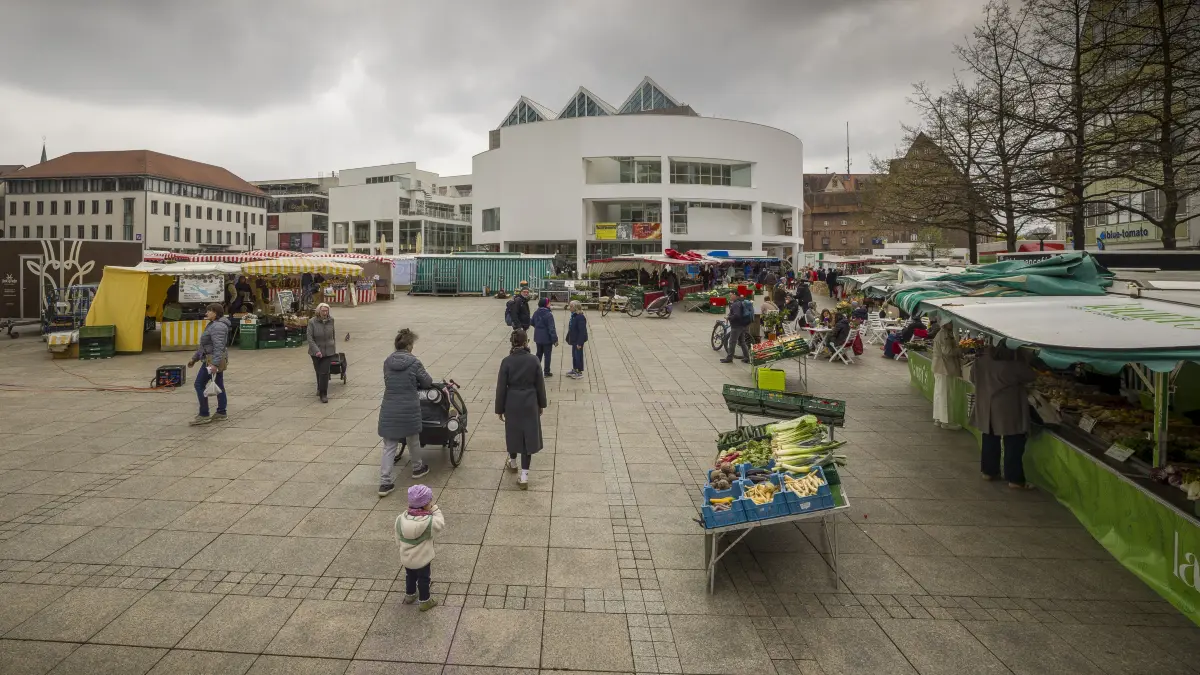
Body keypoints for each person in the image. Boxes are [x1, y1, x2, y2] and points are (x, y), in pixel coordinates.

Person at [378, 328, 435, 495]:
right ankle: (417, 468)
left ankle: (385, 482)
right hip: (409, 406)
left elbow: (387, 380)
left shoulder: (387, 361)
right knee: (413, 439)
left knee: (389, 445)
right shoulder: (414, 362)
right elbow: (427, 382)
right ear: (409, 346)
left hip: (389, 406)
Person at [970, 345, 1036, 488]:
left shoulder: (980, 361)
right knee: (1013, 441)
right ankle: (1014, 479)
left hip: (986, 406)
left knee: (989, 437)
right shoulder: (1013, 364)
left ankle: (989, 472)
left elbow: (973, 378)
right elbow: (1031, 376)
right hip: (1008, 408)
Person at [496, 329, 547, 489]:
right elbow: (540, 384)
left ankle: (512, 463)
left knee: (513, 433)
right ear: (526, 342)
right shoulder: (534, 360)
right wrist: (541, 404)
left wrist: (499, 408)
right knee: (528, 437)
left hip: (512, 401)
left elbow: (501, 387)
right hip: (530, 401)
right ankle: (524, 477)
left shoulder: (507, 361)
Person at [395, 484, 444, 611]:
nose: (431, 503)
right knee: (424, 579)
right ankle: (425, 601)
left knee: (409, 576)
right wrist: (435, 510)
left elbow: (397, 538)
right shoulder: (428, 522)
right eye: (429, 502)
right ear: (424, 505)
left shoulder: (400, 519)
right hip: (422, 560)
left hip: (406, 558)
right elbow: (440, 523)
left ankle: (410, 595)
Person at [188, 303, 231, 425]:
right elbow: (205, 346)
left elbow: (218, 347)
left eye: (209, 311)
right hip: (212, 359)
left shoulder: (218, 327)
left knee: (199, 384)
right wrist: (195, 358)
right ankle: (221, 412)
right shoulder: (213, 324)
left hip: (212, 360)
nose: (206, 313)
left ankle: (204, 414)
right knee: (219, 384)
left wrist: (214, 364)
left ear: (215, 313)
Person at [931, 320, 961, 429]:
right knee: (945, 394)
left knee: (939, 393)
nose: (953, 324)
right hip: (944, 367)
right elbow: (948, 351)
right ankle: (946, 421)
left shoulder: (943, 333)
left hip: (939, 367)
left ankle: (938, 418)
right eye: (951, 322)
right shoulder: (945, 335)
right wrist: (960, 350)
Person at [307, 303, 337, 403]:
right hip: (316, 351)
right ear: (318, 311)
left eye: (326, 311)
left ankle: (323, 394)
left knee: (324, 372)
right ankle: (319, 387)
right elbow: (310, 338)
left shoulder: (331, 320)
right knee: (318, 371)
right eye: (323, 311)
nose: (325, 313)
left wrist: (333, 347)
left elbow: (333, 335)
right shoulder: (312, 322)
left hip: (328, 351)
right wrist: (317, 351)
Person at [721, 293, 753, 363]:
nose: (730, 296)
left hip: (736, 326)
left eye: (731, 295)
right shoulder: (741, 302)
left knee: (732, 342)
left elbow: (737, 315)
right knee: (742, 342)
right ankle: (747, 357)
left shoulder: (735, 304)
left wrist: (728, 317)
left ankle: (729, 358)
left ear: (736, 296)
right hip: (743, 325)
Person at [531, 297, 558, 377]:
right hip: (547, 339)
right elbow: (551, 328)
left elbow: (532, 322)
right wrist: (555, 339)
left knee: (538, 354)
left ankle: (536, 371)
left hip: (538, 337)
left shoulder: (536, 312)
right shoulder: (548, 314)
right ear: (546, 304)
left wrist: (538, 327)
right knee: (547, 355)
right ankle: (546, 371)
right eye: (549, 303)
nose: (550, 304)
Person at [565, 300, 588, 379]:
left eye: (571, 306)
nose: (569, 308)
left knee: (578, 356)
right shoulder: (574, 315)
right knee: (574, 355)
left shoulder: (580, 317)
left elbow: (582, 331)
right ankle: (575, 369)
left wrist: (579, 343)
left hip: (578, 340)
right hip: (574, 339)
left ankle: (579, 371)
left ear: (575, 308)